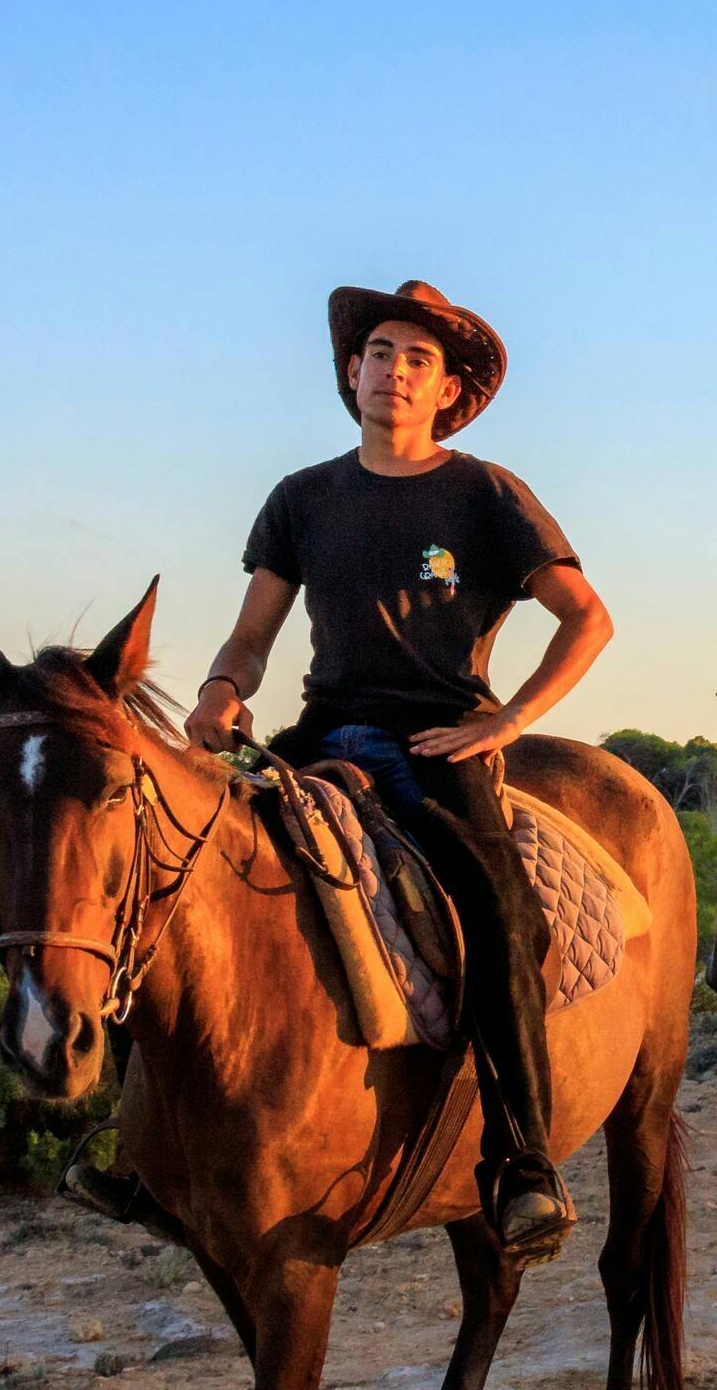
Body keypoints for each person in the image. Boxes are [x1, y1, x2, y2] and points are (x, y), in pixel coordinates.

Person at [184, 279, 612, 1264]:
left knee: (502, 910)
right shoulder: (302, 499)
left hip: (439, 741)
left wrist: (508, 719)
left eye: (417, 357)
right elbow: (253, 636)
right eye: (378, 351)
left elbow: (586, 618)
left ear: (446, 387)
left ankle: (523, 1163)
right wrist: (218, 689)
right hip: (324, 732)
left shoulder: (485, 494)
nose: (393, 369)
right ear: (350, 372)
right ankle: (137, 1137)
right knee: (179, 856)